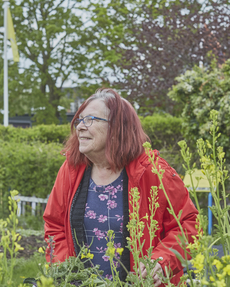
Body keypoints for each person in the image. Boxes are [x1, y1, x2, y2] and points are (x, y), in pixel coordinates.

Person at [43, 88, 198, 286]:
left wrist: (163, 261)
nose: (80, 126)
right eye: (79, 119)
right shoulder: (71, 169)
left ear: (117, 128)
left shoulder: (154, 171)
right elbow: (54, 226)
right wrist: (65, 270)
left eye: (90, 119)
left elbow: (189, 224)